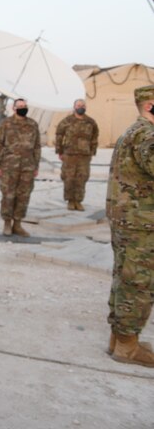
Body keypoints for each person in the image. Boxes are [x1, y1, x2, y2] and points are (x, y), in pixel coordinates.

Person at [105, 84, 154, 368]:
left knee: (125, 278)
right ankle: (127, 346)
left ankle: (119, 338)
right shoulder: (147, 136)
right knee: (140, 283)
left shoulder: (132, 132)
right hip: (142, 224)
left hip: (129, 221)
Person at [0, 98, 41, 237]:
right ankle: (7, 223)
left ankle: (17, 224)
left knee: (23, 196)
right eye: (19, 106)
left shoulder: (32, 124)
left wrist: (36, 165)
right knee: (8, 195)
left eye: (24, 106)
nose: (22, 108)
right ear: (13, 108)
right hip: (8, 166)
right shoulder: (5, 124)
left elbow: (37, 146)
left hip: (27, 167)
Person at [55, 99, 98, 211]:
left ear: (86, 107)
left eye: (83, 105)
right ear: (74, 107)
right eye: (78, 105)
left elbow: (94, 137)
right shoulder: (67, 121)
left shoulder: (90, 122)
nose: (81, 107)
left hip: (84, 155)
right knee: (69, 177)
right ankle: (70, 200)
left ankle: (78, 201)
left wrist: (92, 152)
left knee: (82, 178)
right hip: (69, 154)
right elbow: (59, 135)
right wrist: (59, 151)